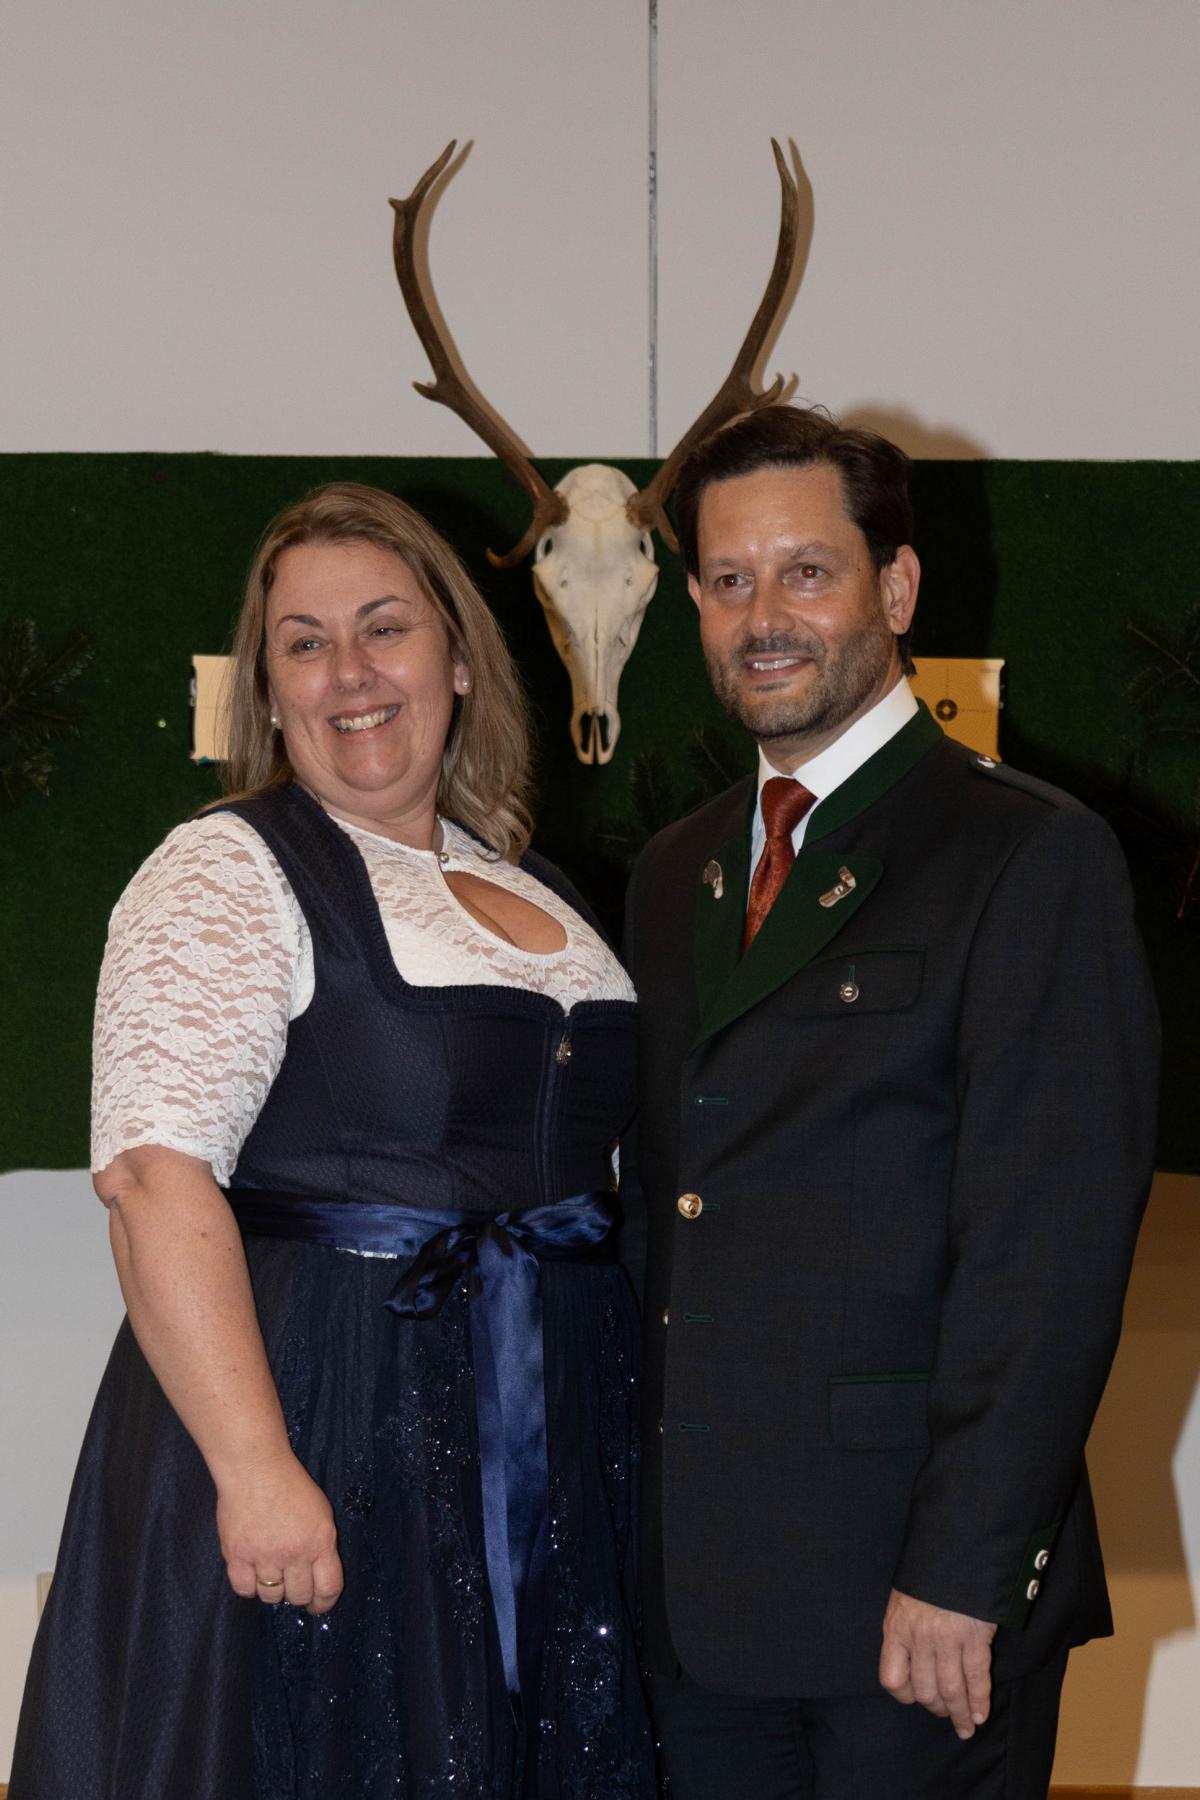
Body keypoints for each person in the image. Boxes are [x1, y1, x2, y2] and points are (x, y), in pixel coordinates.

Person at [11, 482, 656, 1800]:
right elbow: (150, 1179)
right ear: (269, 690)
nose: (349, 672)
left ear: (459, 659)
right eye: (303, 644)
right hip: (331, 1418)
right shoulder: (225, 870)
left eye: (384, 627)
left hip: (544, 1423)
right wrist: (255, 1469)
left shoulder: (536, 885)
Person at [622, 406, 1159, 1799]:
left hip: (915, 1617)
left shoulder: (1026, 856)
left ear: (898, 588)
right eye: (730, 580)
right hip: (698, 1608)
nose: (764, 618)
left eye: (807, 572)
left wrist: (966, 1571)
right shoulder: (669, 876)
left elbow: (1047, 1257)